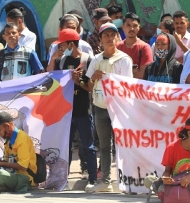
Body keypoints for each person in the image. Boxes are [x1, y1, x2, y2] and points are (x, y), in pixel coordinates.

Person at [85, 22, 132, 192]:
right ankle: (105, 181)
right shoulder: (96, 60)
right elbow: (89, 86)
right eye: (106, 35)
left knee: (122, 146)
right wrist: (94, 78)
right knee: (104, 146)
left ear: (118, 38)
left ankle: (126, 181)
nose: (110, 38)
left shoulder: (125, 60)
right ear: (101, 39)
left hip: (119, 109)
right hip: (100, 108)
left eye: (113, 35)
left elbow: (128, 87)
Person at [53, 28, 97, 189]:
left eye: (63, 45)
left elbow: (91, 88)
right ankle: (63, 179)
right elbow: (51, 79)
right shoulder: (62, 61)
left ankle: (93, 179)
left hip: (83, 110)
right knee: (66, 147)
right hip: (66, 111)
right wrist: (53, 58)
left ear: (71, 44)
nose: (61, 48)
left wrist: (79, 81)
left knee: (89, 146)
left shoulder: (88, 60)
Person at [145, 117, 190, 203]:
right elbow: (167, 171)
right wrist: (165, 178)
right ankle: (172, 196)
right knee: (148, 180)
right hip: (175, 185)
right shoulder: (172, 147)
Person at [0, 112, 37, 193]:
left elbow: (23, 166)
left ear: (7, 126)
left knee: (0, 174)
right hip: (11, 174)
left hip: (24, 177)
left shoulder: (22, 138)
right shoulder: (8, 140)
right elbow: (7, 162)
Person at [116, 12, 153, 79]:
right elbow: (112, 72)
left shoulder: (144, 47)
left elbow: (143, 74)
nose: (132, 29)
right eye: (128, 25)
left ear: (139, 27)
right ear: (123, 26)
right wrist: (132, 71)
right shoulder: (117, 47)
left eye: (135, 26)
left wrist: (122, 72)